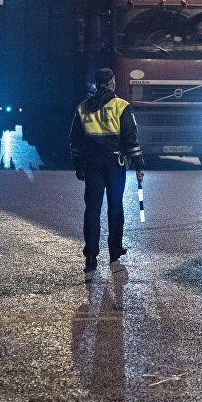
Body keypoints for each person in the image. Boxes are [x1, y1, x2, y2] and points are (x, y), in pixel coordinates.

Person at [69, 68, 144, 282]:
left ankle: (91, 257)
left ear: (96, 84)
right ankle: (115, 252)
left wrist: (78, 165)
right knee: (115, 207)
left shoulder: (83, 108)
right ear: (112, 83)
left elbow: (74, 141)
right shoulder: (121, 106)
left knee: (92, 209)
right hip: (114, 163)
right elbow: (131, 139)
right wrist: (139, 164)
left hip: (92, 164)